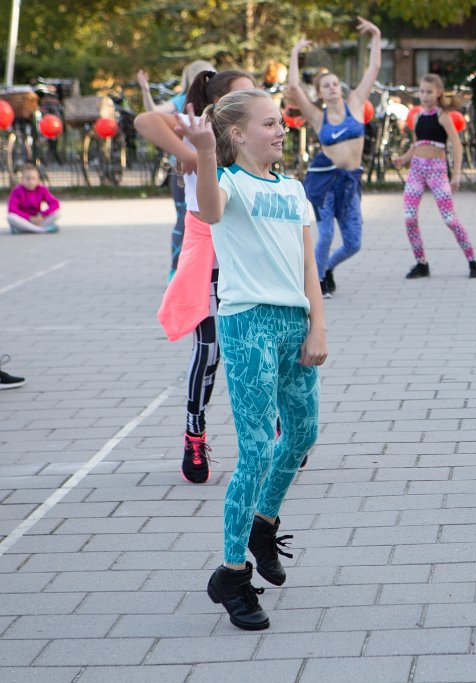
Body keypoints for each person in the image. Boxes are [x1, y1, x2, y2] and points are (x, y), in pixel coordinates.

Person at [183, 88, 326, 631]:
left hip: (294, 324)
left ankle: (264, 522)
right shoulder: (226, 183)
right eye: (270, 123)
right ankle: (232, 574)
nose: (282, 129)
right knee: (257, 449)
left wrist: (318, 324)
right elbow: (212, 212)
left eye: (282, 121)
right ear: (239, 134)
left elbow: (308, 263)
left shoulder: (292, 189)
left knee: (304, 434)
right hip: (247, 325)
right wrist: (204, 151)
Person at [136, 69, 256, 484]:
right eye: (245, 92)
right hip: (208, 250)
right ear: (219, 101)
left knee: (257, 346)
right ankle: (195, 432)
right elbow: (144, 120)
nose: (254, 95)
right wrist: (189, 153)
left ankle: (271, 427)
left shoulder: (253, 132)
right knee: (210, 351)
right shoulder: (197, 128)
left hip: (247, 249)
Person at [289, 17, 381, 299]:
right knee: (325, 234)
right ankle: (316, 285)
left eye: (334, 84)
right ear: (319, 93)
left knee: (354, 243)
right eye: (325, 86)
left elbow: (374, 68)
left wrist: (376, 35)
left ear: (340, 87)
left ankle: (326, 268)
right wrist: (295, 53)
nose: (331, 87)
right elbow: (294, 87)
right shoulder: (319, 116)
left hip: (350, 180)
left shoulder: (355, 102)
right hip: (326, 179)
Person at [393, 74, 476, 280]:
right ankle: (421, 263)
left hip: (437, 170)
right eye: (422, 91)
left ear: (438, 93)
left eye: (429, 92)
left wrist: (456, 174)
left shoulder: (442, 116)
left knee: (450, 219)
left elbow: (457, 146)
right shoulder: (416, 117)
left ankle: (472, 259)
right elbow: (418, 144)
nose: (424, 96)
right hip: (416, 170)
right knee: (409, 217)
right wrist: (404, 159)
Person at [138, 59, 216, 278]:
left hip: (209, 173)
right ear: (190, 79)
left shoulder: (222, 111)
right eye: (200, 74)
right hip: (185, 172)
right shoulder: (181, 101)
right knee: (184, 217)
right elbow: (150, 113)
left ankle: (201, 272)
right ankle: (176, 269)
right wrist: (145, 90)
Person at [7, 164, 60, 234]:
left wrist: (42, 214)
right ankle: (41, 230)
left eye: (33, 179)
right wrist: (30, 218)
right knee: (10, 217)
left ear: (38, 180)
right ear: (22, 179)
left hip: (38, 219)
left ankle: (24, 229)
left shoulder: (42, 189)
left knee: (57, 214)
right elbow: (12, 208)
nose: (31, 181)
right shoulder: (17, 191)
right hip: (23, 219)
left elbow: (55, 203)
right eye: (28, 178)